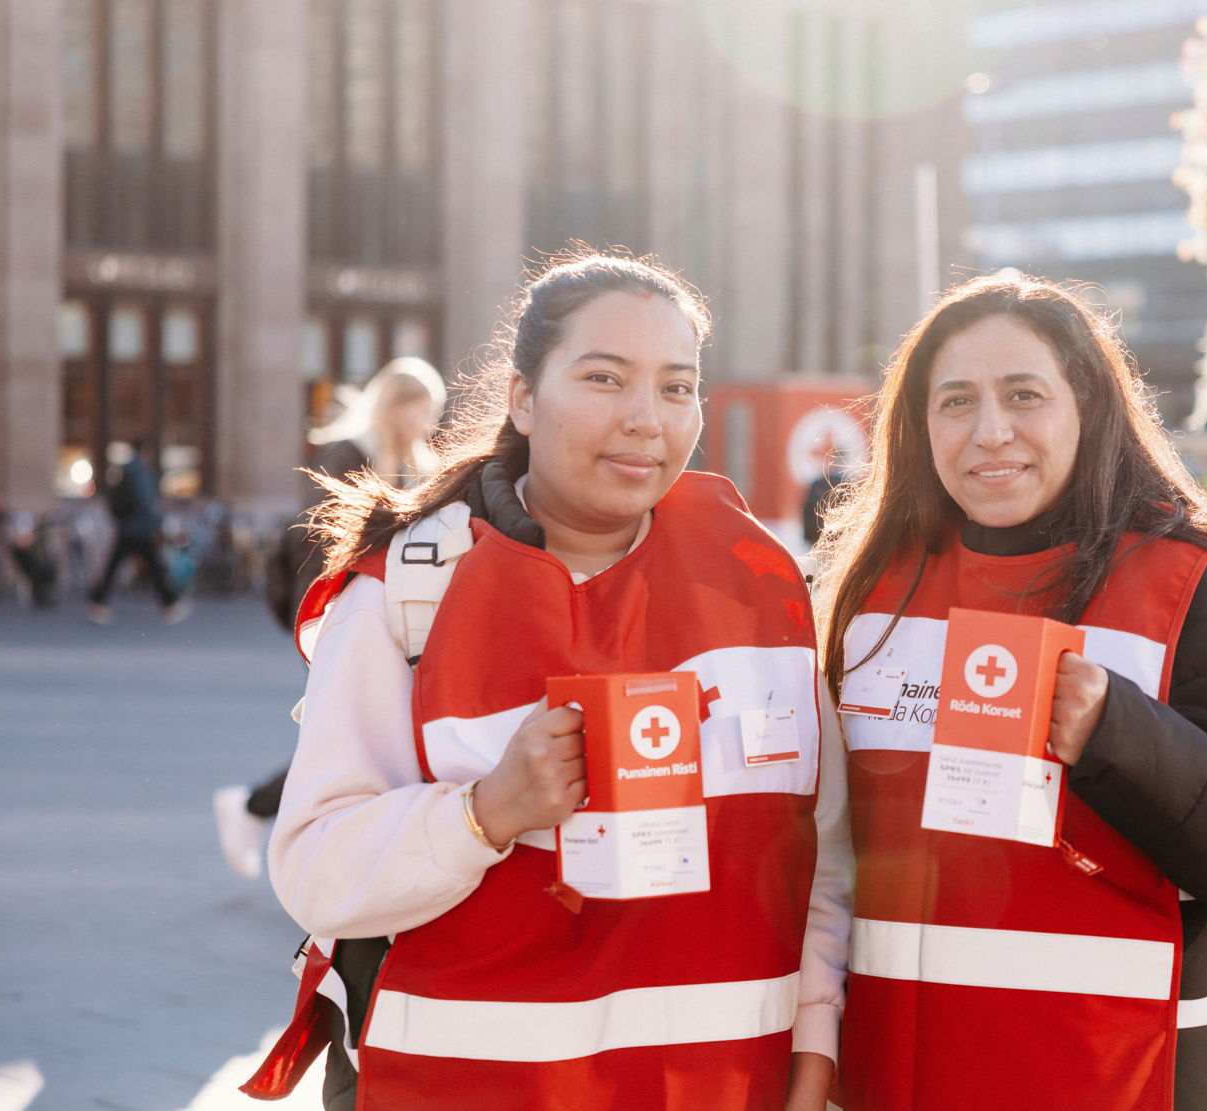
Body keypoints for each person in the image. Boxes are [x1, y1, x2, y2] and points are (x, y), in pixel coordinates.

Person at [249, 252, 849, 1110]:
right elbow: (314, 868)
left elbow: (823, 852)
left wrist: (815, 1044)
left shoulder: (758, 585)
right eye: (605, 378)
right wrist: (484, 812)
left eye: (677, 387)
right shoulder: (410, 592)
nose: (645, 418)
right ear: (523, 398)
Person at [812, 273, 1207, 1111]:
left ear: (1088, 403)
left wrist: (1118, 732)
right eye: (956, 401)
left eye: (1023, 394)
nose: (990, 431)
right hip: (907, 1083)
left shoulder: (1199, 584)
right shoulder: (876, 592)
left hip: (1134, 1081)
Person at [215, 356, 446, 880]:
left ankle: (263, 813)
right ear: (397, 406)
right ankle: (262, 814)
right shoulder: (350, 456)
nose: (429, 423)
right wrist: (327, 628)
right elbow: (314, 547)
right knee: (355, 740)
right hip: (347, 620)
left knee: (370, 739)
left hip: (395, 623)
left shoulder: (416, 463)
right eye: (424, 410)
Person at [87, 441, 190, 624]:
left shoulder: (126, 470)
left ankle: (98, 601)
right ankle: (170, 603)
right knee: (155, 567)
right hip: (140, 528)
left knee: (116, 566)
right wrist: (154, 524)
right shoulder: (141, 472)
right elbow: (145, 502)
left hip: (127, 526)